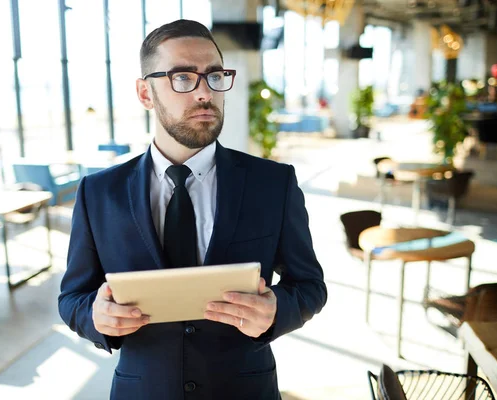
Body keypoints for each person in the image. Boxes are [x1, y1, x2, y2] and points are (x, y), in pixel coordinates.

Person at [58, 19, 326, 400]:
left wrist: (276, 311)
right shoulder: (98, 192)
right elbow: (72, 298)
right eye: (183, 78)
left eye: (215, 77)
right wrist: (95, 317)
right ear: (145, 93)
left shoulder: (273, 183)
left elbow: (310, 286)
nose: (205, 93)